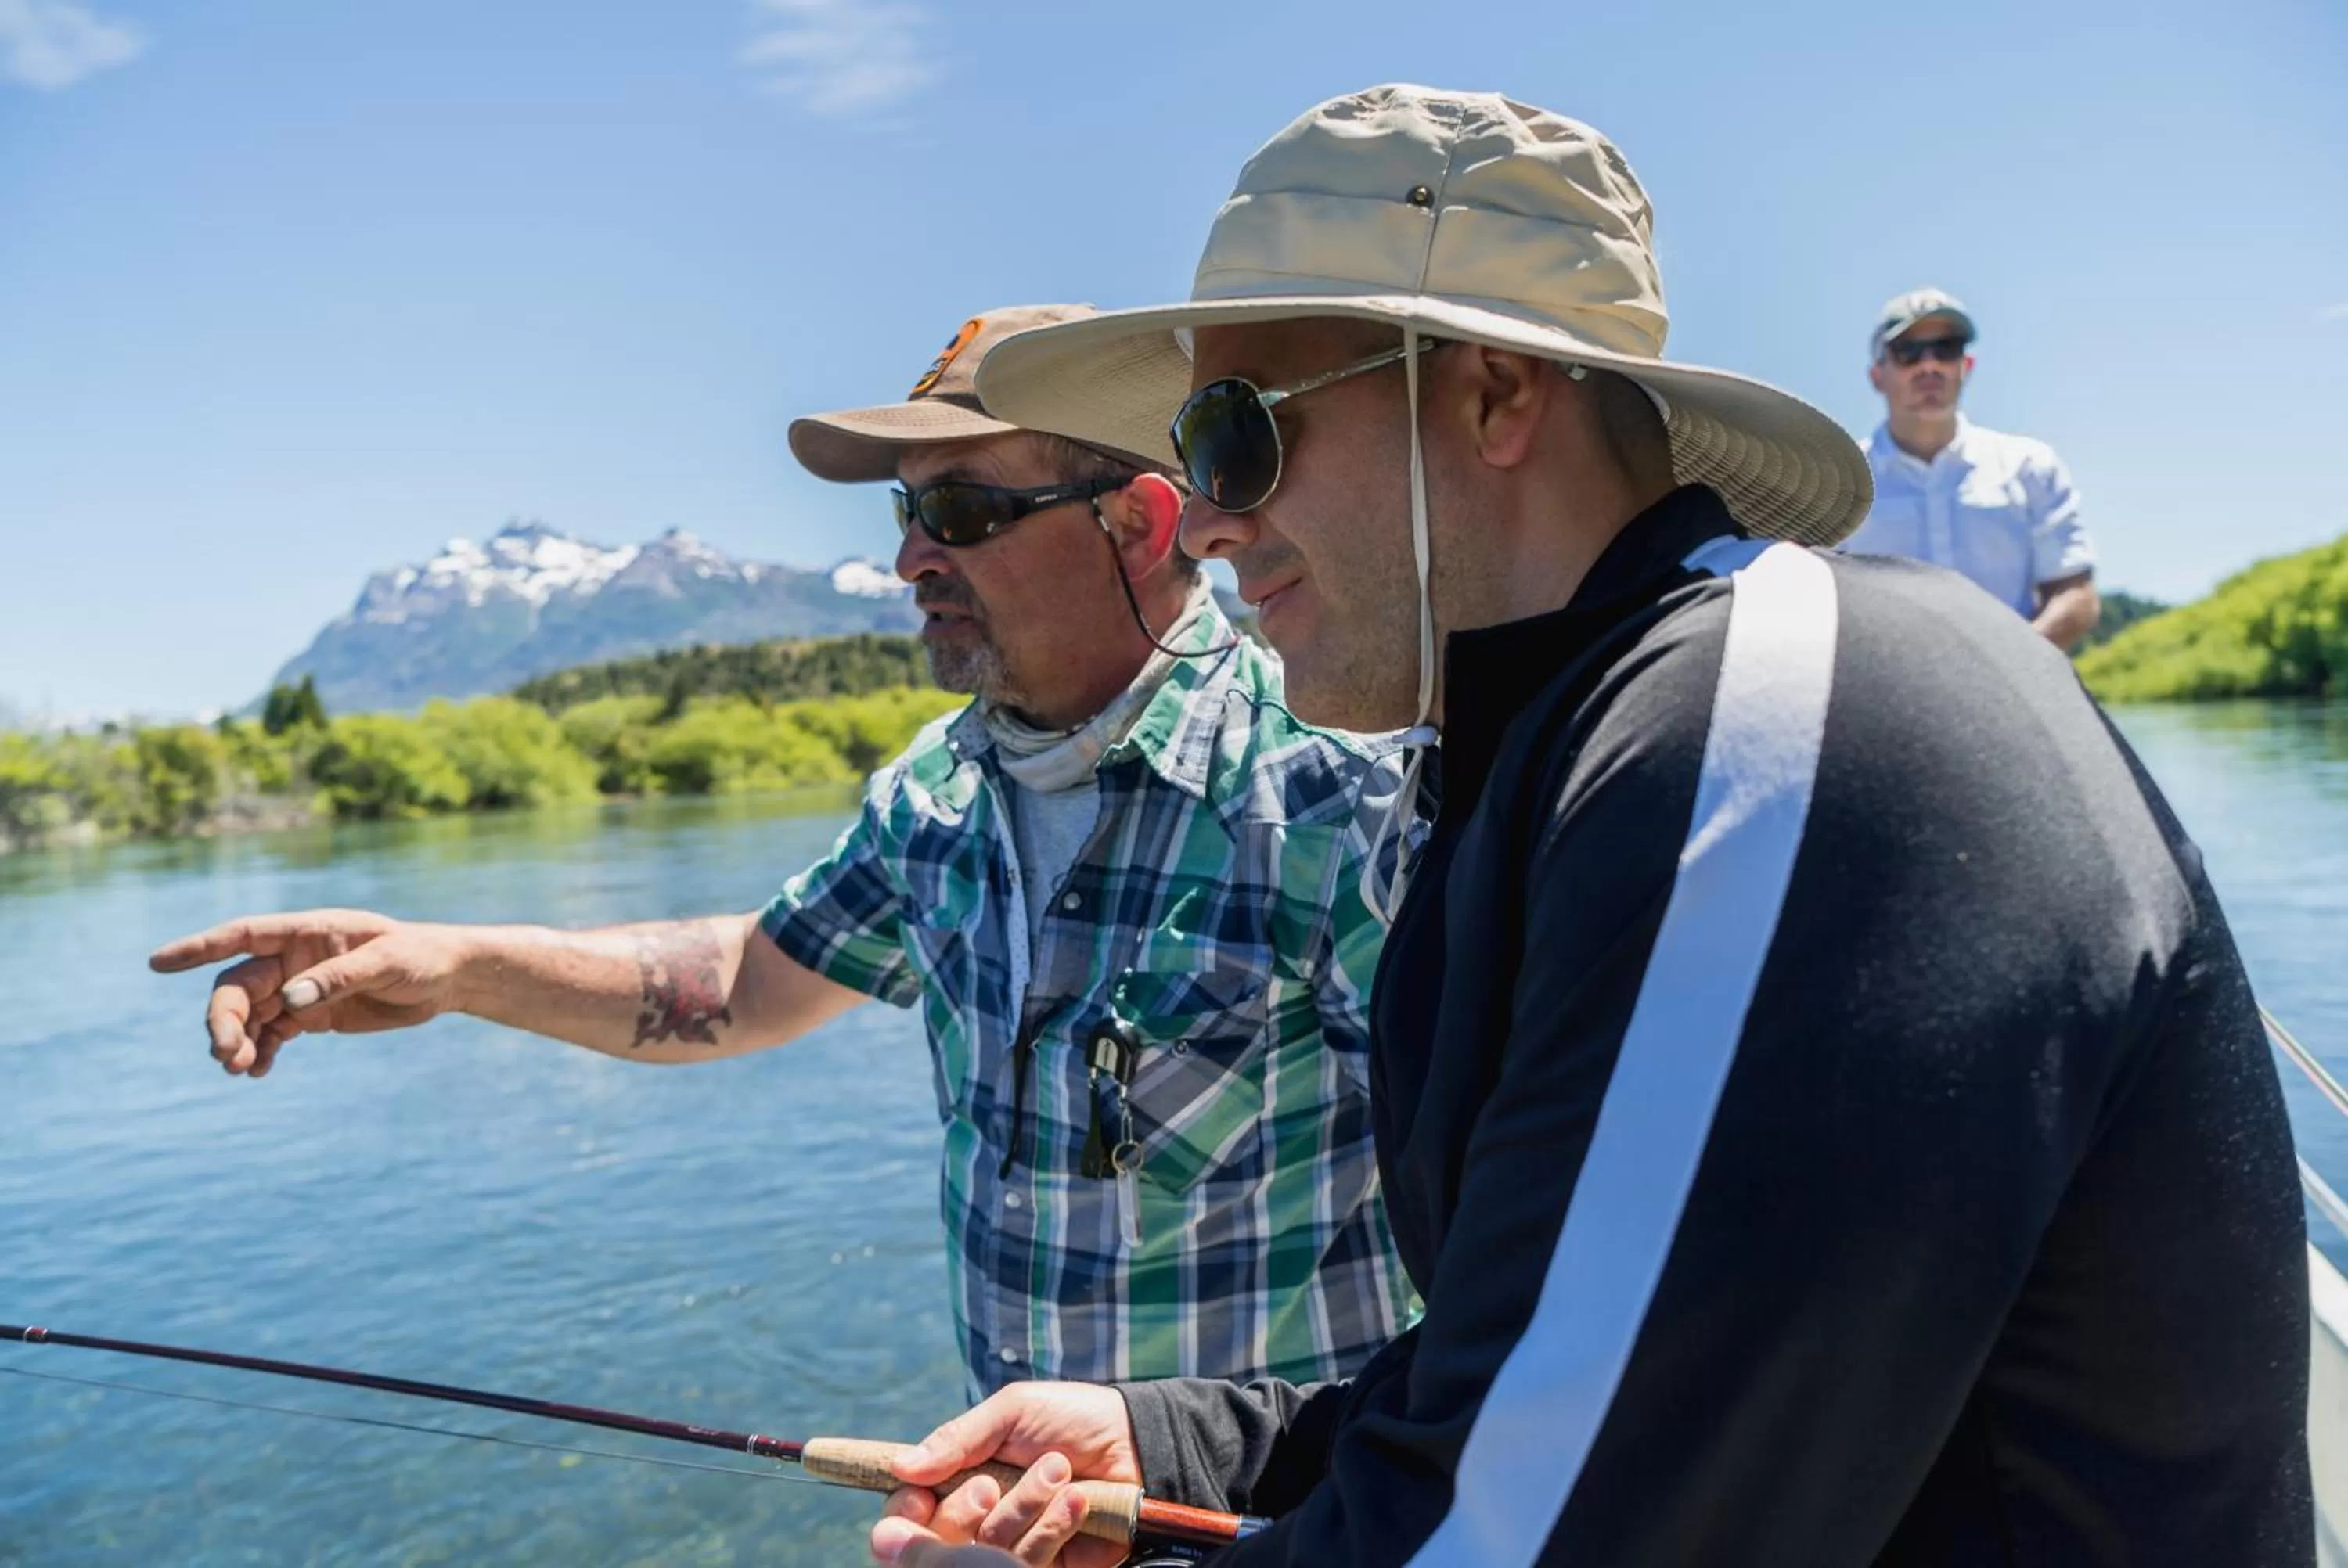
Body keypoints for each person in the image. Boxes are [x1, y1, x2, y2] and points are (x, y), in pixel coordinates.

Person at [857, 87, 2313, 1567]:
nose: (1210, 517)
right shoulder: (1586, 754)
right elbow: (1550, 1371)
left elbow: (1543, 1531)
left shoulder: (1768, 744)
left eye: (1239, 435)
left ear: (1493, 394)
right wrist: (1179, 1442)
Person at [149, 304, 1417, 1400]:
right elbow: (750, 979)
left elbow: (1521, 1236)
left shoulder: (1328, 794)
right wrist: (452, 961)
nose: (913, 557)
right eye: (908, 511)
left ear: (1139, 524)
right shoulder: (934, 794)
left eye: (964, 509)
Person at [1841, 287, 2102, 647]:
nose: (1929, 366)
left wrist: (2011, 667)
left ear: (1967, 366)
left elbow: (2075, 593)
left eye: (1946, 349)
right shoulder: (1838, 481)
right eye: (1908, 353)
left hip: (2015, 688)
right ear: (1876, 376)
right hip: (1873, 692)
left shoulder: (2030, 467)